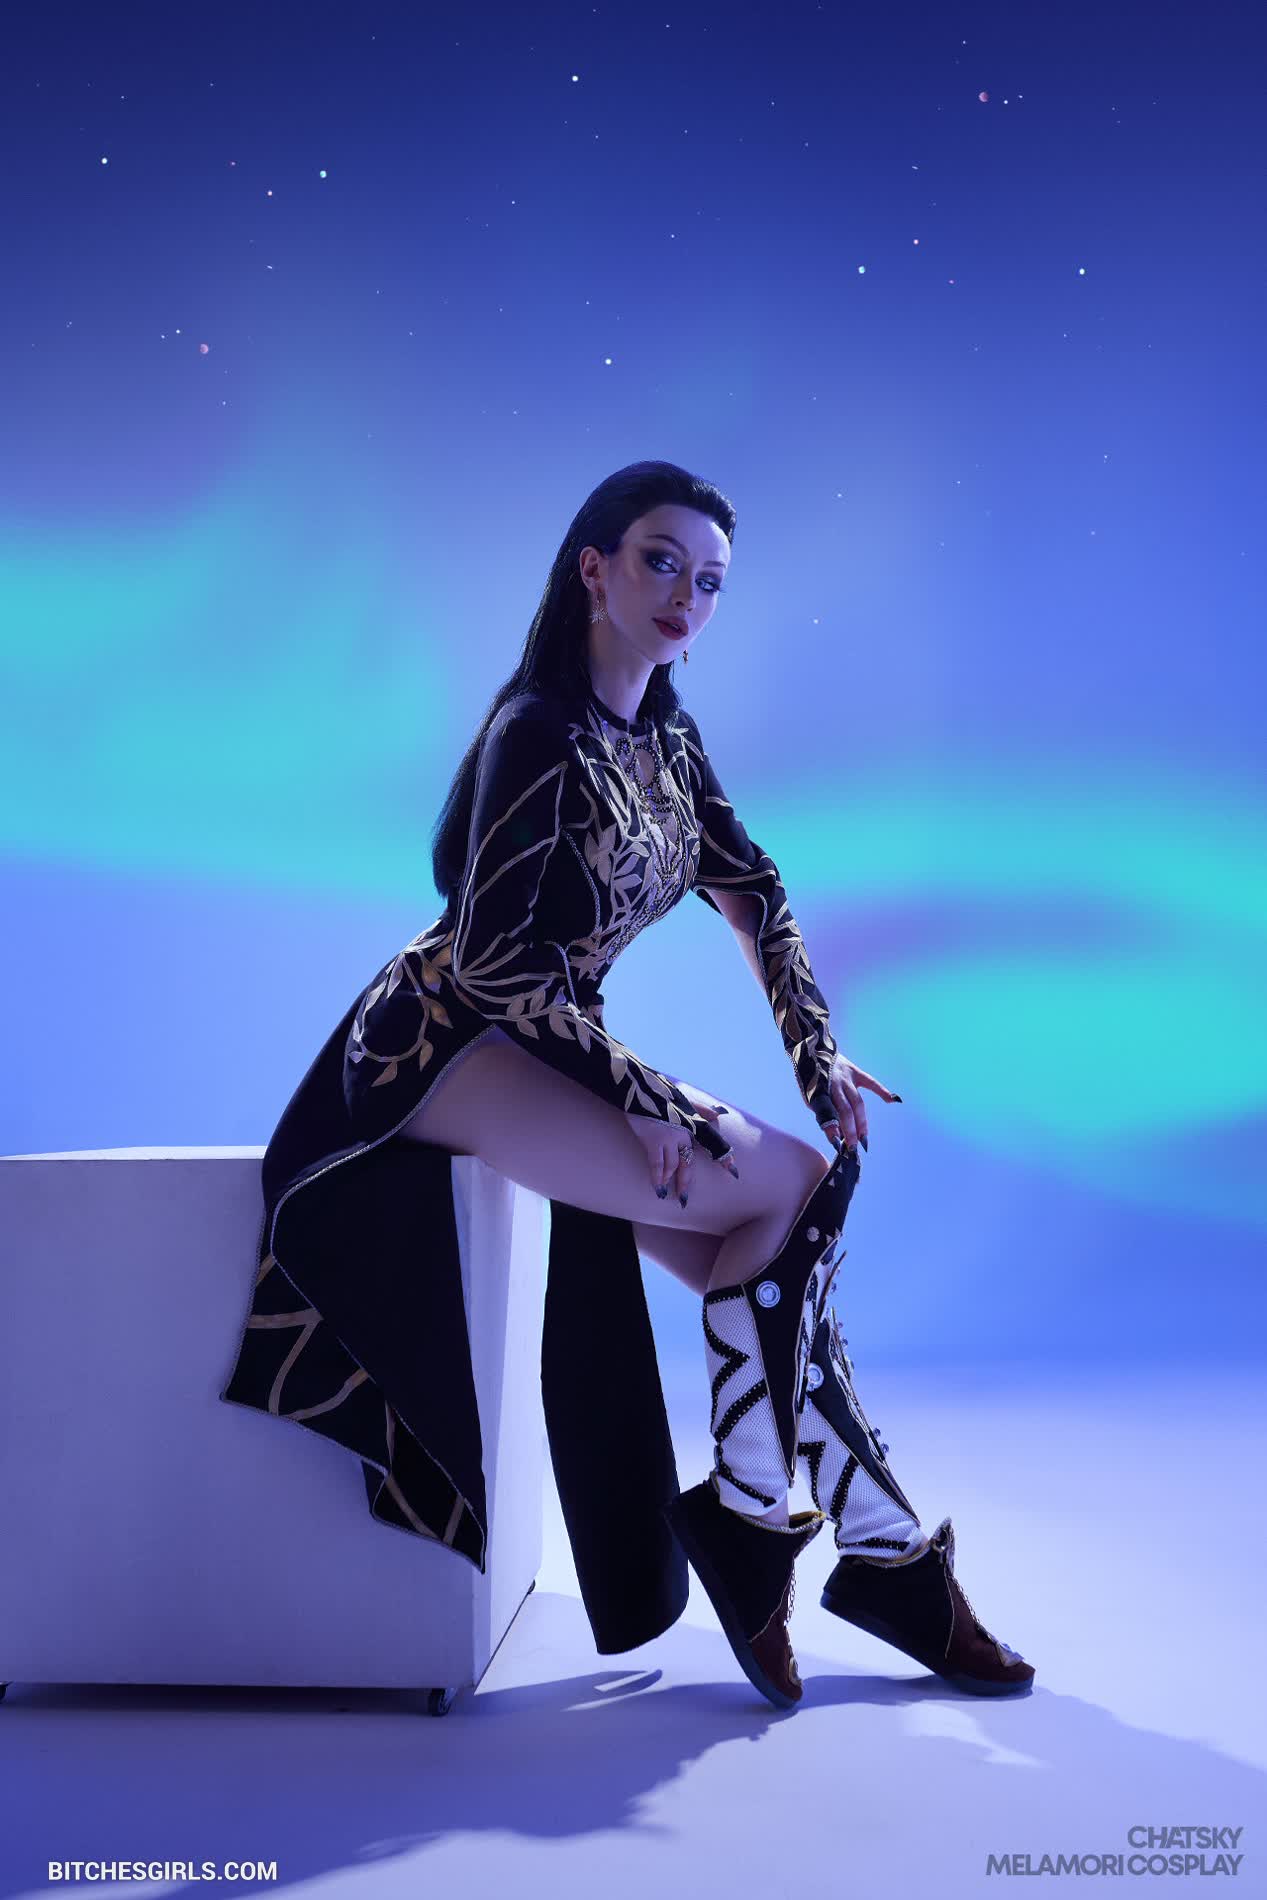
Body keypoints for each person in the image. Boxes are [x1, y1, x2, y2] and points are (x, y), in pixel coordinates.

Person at [222, 459, 1033, 1710]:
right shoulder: (534, 734)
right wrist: (642, 1094)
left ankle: (860, 1550)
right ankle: (790, 1536)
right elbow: (490, 964)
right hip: (435, 1049)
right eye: (661, 561)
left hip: (545, 1039)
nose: (685, 597)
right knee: (793, 1190)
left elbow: (754, 891)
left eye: (709, 581)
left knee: (781, 1270)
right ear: (592, 570)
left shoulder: (665, 738)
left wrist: (813, 1049)